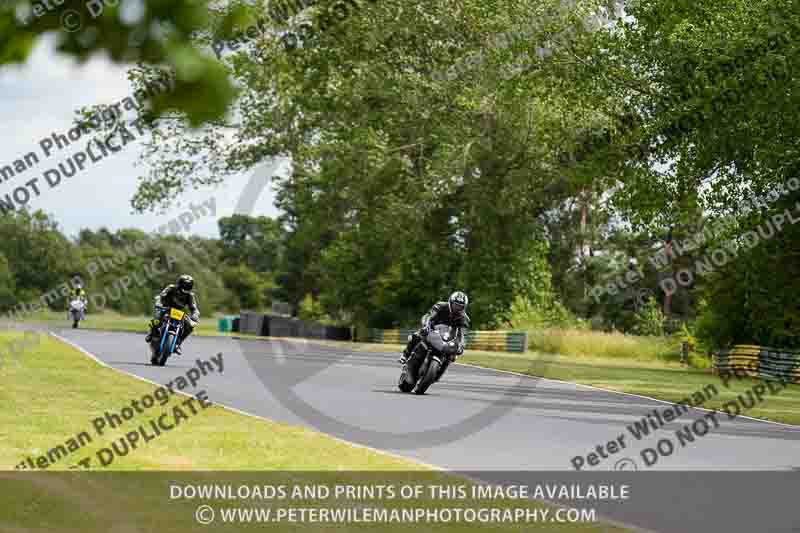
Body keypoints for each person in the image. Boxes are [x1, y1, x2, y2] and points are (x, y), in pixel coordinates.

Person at [399, 291, 470, 364]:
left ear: (464, 307)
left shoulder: (464, 318)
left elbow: (462, 334)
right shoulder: (440, 306)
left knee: (453, 355)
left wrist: (460, 345)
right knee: (416, 335)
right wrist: (426, 325)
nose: (457, 308)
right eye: (456, 305)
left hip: (448, 336)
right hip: (432, 327)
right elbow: (429, 316)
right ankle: (405, 355)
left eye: (460, 306)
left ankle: (442, 366)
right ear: (450, 302)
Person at [145, 274, 200, 355]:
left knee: (190, 326)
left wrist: (195, 314)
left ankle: (178, 343)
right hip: (166, 308)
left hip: (179, 313)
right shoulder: (171, 288)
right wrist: (159, 302)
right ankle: (153, 332)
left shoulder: (190, 295)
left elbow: (194, 307)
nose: (186, 287)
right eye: (184, 284)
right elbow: (161, 296)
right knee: (157, 317)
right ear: (180, 283)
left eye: (189, 285)